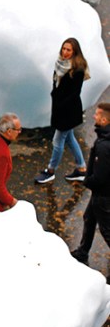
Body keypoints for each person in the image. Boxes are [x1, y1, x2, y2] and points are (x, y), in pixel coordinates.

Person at [35, 39, 90, 184]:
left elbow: (74, 93)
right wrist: (55, 97)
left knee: (58, 141)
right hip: (60, 108)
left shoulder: (77, 69)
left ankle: (51, 170)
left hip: (68, 111)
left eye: (68, 50)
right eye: (64, 49)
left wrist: (60, 104)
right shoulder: (60, 64)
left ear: (74, 52)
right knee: (70, 139)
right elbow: (56, 85)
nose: (65, 52)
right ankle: (82, 169)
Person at [70, 103, 110, 275]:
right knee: (89, 218)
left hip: (103, 195)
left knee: (107, 230)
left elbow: (100, 177)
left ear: (105, 119)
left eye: (97, 114)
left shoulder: (104, 146)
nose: (94, 116)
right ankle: (83, 251)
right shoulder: (105, 139)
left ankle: (82, 251)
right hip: (100, 194)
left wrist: (88, 182)